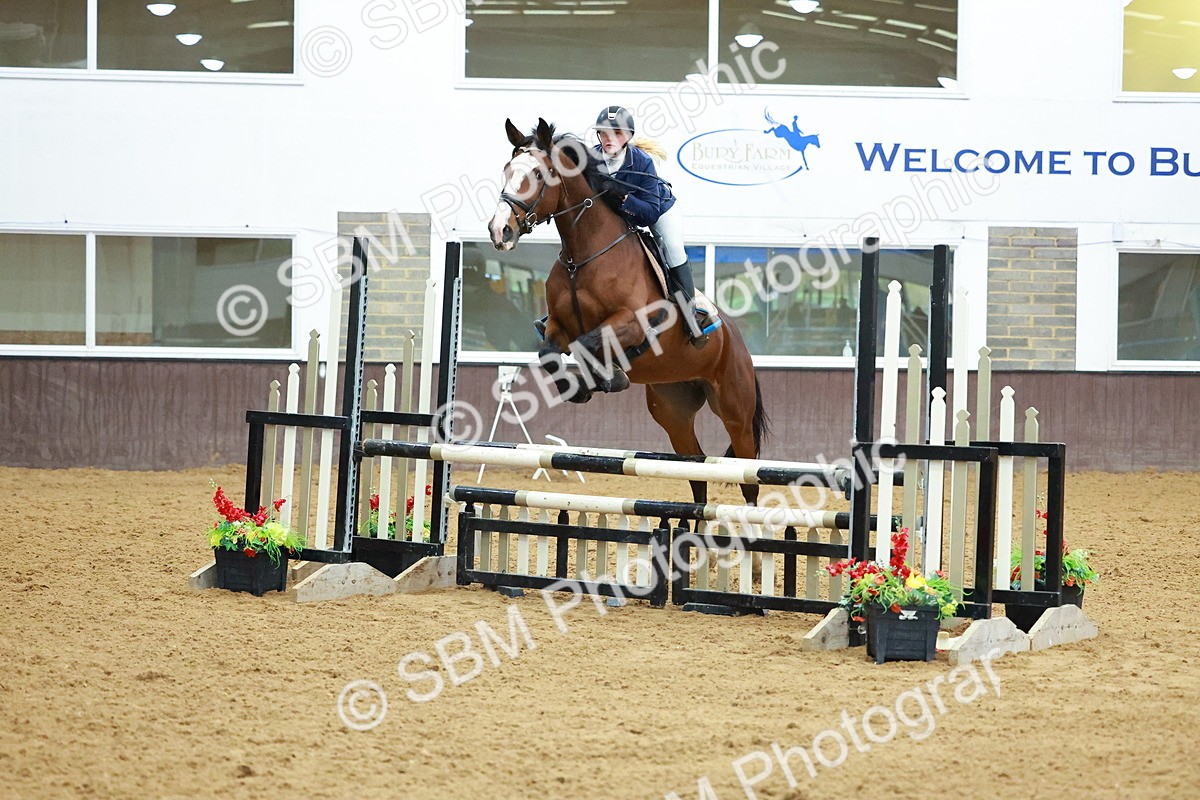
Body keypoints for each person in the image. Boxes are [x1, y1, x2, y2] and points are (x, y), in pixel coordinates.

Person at [592, 105, 717, 347]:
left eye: (616, 133)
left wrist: (625, 199)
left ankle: (691, 317)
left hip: (658, 210)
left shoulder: (642, 162)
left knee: (672, 249)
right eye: (603, 134)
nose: (609, 139)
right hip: (618, 217)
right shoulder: (590, 158)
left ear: (627, 136)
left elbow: (650, 212)